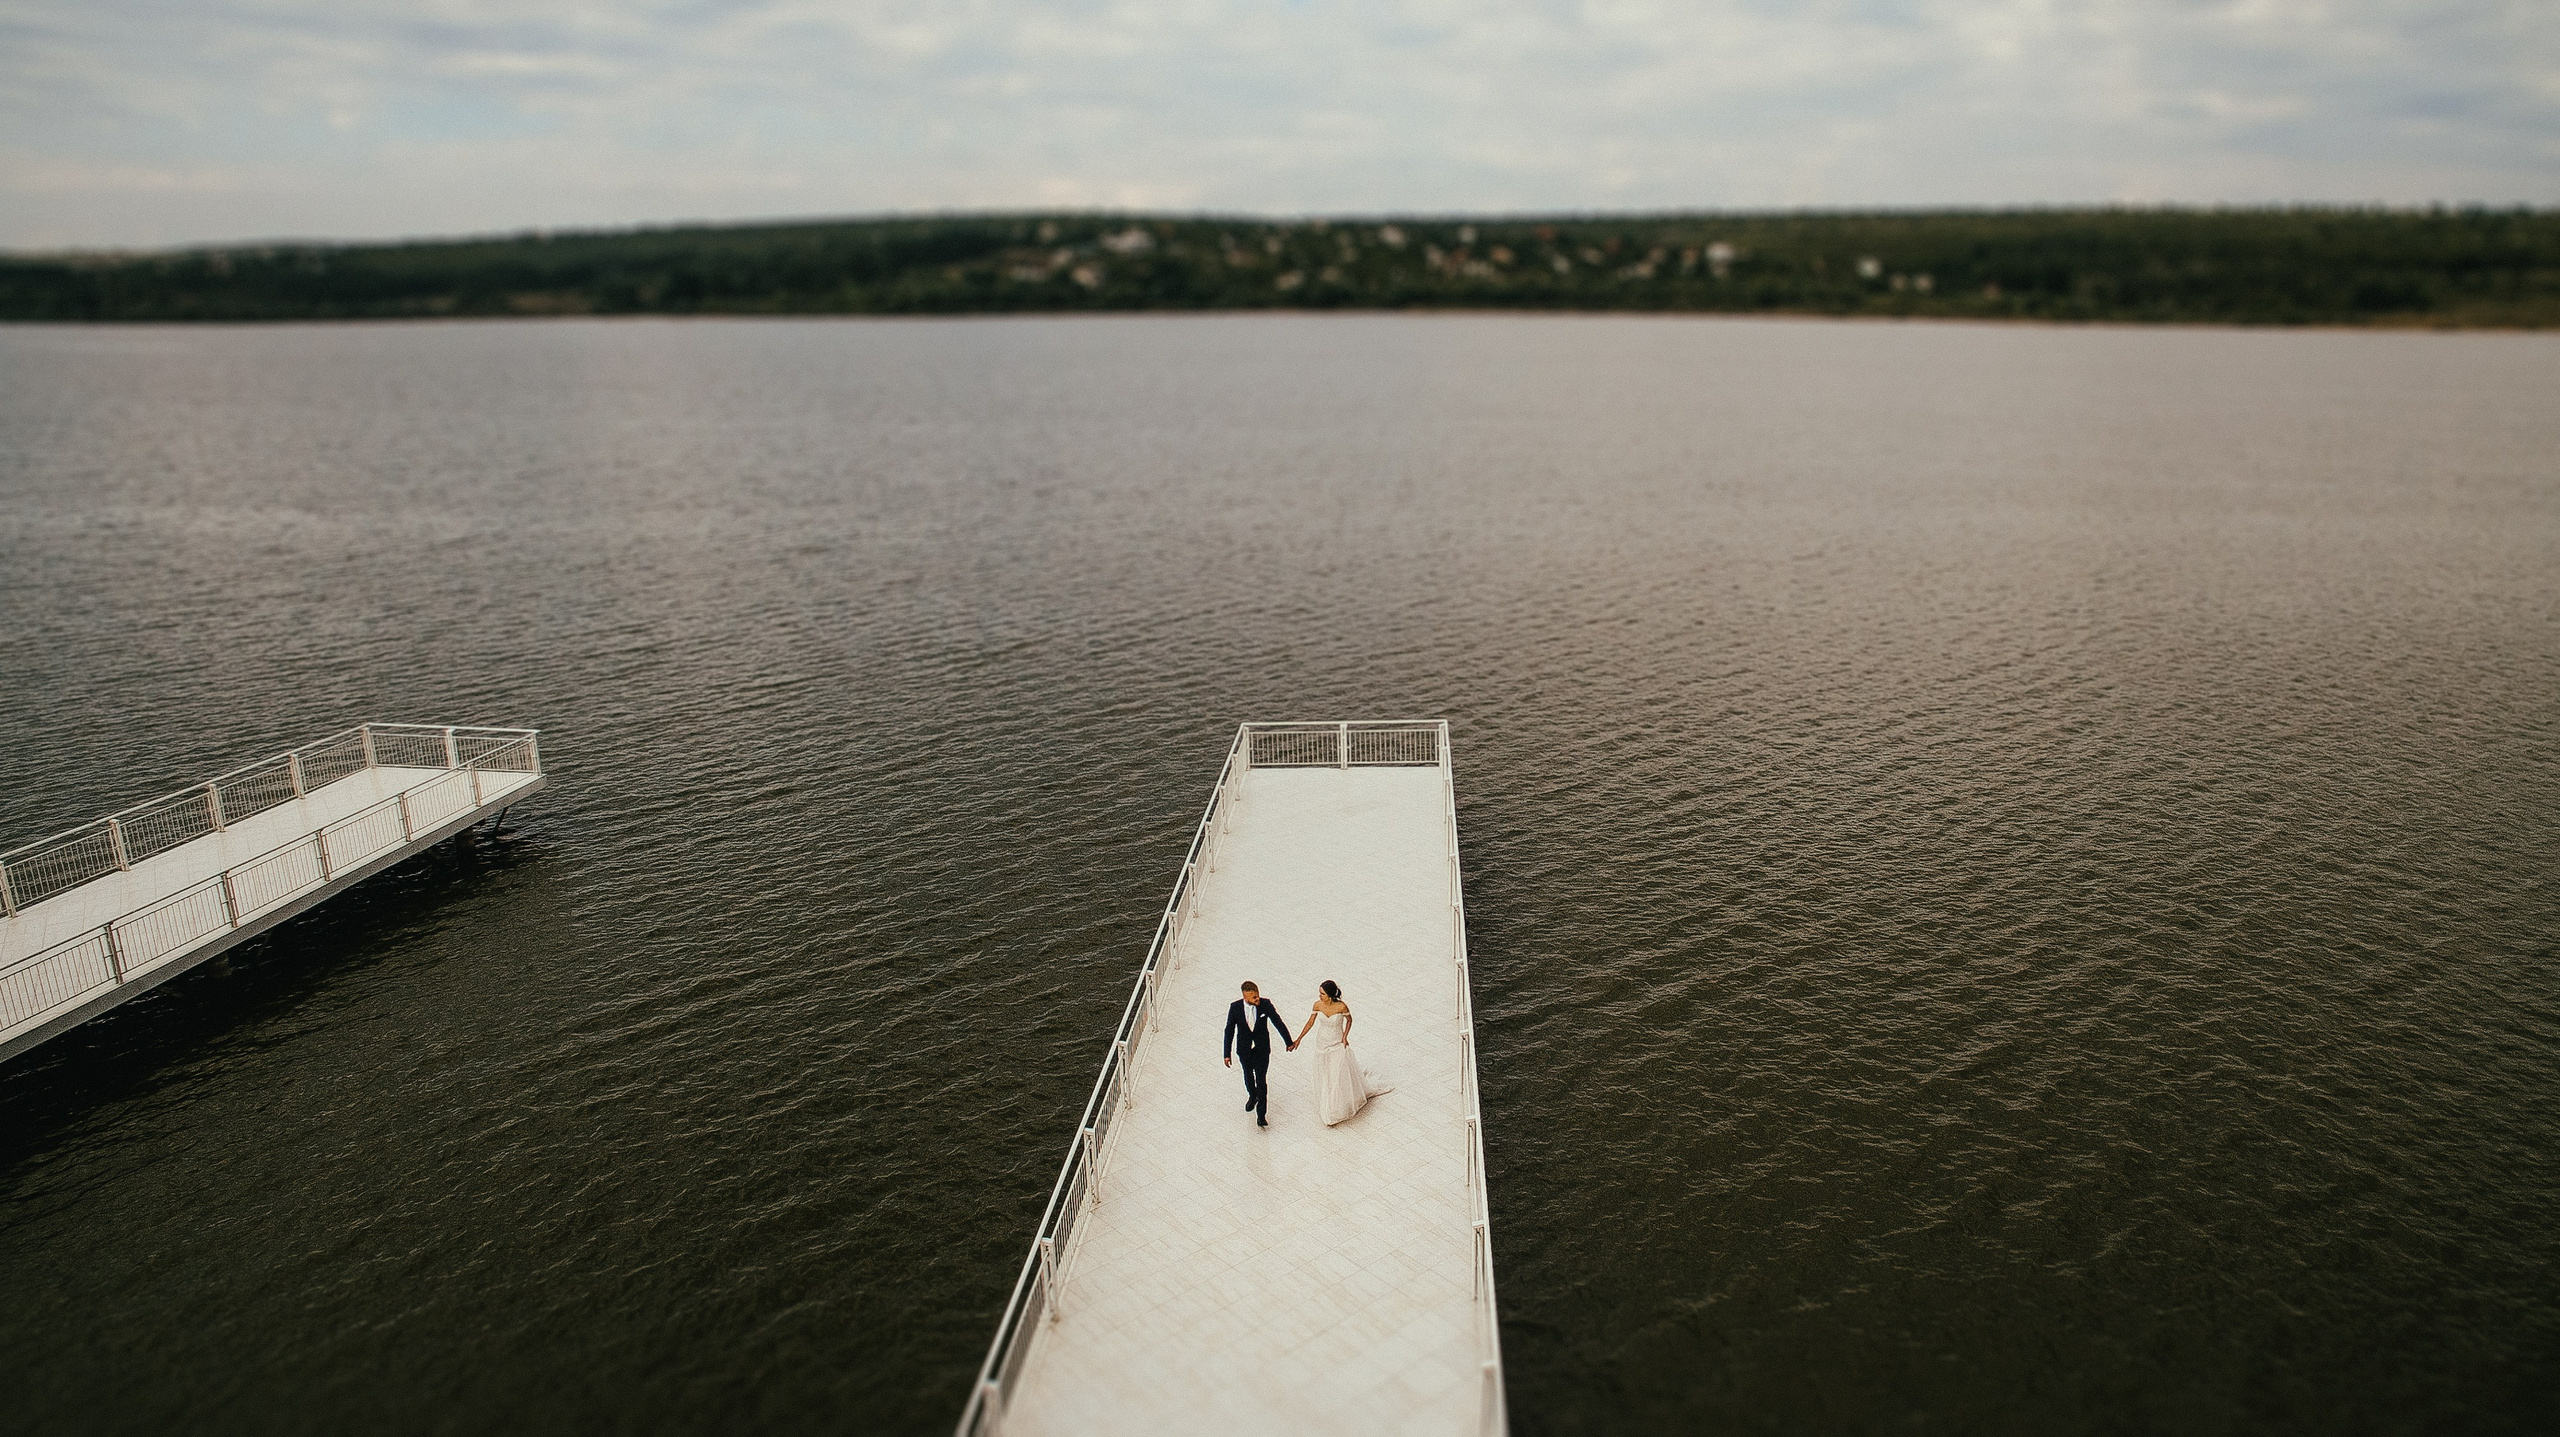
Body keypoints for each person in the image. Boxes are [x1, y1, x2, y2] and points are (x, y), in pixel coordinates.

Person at [1303, 980, 1394, 1126]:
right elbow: (1310, 1023)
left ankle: (1335, 1107)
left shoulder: (1341, 1006)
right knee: (1326, 1073)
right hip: (1322, 1043)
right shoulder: (1317, 1005)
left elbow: (1349, 1020)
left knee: (1336, 1073)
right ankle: (1329, 1106)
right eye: (1320, 993)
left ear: (1331, 995)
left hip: (1337, 1043)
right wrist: (1298, 1039)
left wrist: (1345, 1037)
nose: (1319, 996)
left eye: (1322, 994)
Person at [1222, 981, 1297, 1128]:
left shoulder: (1265, 1004)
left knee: (1261, 1080)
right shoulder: (1235, 1008)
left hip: (1261, 1049)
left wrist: (1288, 1041)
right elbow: (1229, 1030)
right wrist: (1227, 1053)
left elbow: (1278, 1022)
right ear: (1245, 997)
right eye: (1253, 998)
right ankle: (1252, 1095)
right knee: (1248, 1075)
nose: (1257, 1000)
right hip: (1244, 1050)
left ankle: (1261, 1114)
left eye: (1257, 996)